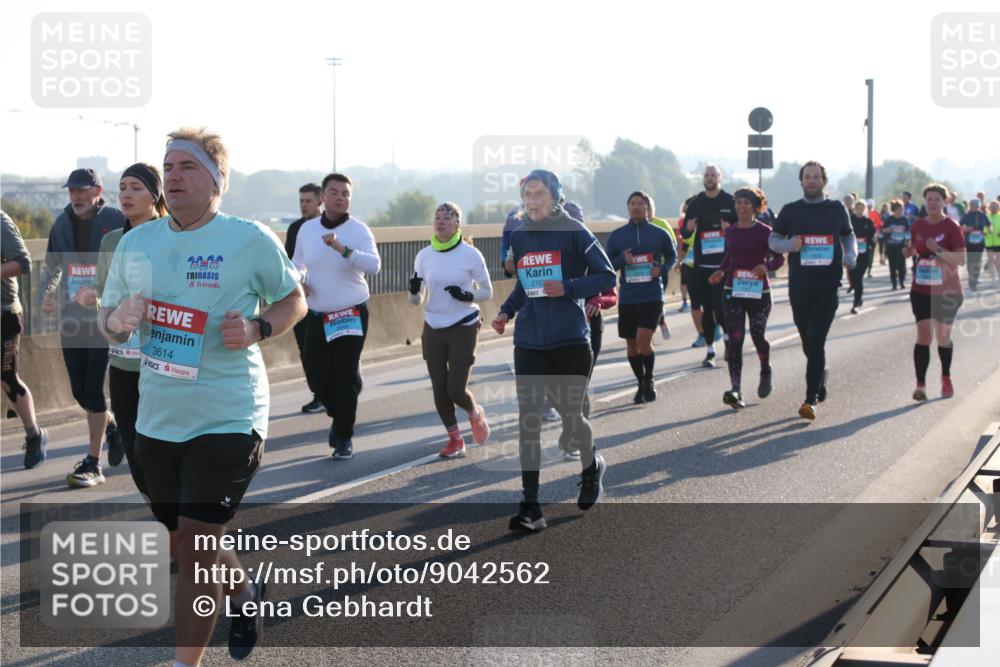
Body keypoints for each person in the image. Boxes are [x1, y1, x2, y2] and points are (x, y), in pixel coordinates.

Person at [99, 127, 306, 666]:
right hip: (157, 417)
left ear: (217, 181)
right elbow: (111, 322)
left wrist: (260, 327)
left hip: (229, 415)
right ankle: (242, 594)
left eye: (187, 167)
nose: (173, 176)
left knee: (193, 546)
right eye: (168, 167)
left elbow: (294, 300)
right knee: (185, 539)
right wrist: (116, 322)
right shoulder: (136, 242)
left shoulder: (247, 238)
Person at [491, 169, 615, 533]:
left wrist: (570, 287)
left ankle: (592, 466)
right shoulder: (521, 234)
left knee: (571, 418)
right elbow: (525, 285)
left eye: (539, 193)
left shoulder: (576, 232)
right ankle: (531, 506)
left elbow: (607, 276)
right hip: (529, 340)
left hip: (570, 339)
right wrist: (506, 311)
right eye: (527, 194)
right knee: (529, 421)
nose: (531, 200)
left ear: (555, 196)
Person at [76, 164, 168, 499]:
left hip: (165, 362)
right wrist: (92, 296)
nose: (126, 195)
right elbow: (104, 292)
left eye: (136, 188)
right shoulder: (112, 240)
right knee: (137, 454)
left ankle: (181, 530)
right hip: (123, 363)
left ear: (155, 196)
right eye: (122, 187)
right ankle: (168, 522)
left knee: (163, 452)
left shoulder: (172, 236)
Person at [39, 167, 125, 487]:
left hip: (104, 318)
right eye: (71, 191)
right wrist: (47, 295)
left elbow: (132, 262)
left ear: (98, 190)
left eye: (81, 190)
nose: (75, 196)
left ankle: (93, 462)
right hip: (71, 317)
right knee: (79, 390)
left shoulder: (116, 221)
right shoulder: (61, 223)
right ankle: (112, 428)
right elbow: (52, 266)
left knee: (92, 387)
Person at [292, 173, 381, 460]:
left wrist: (343, 249)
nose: (340, 197)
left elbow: (374, 265)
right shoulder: (307, 230)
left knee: (342, 378)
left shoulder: (358, 230)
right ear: (323, 198)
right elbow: (298, 264)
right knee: (317, 376)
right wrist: (300, 280)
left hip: (350, 311)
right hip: (317, 313)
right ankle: (341, 406)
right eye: (334, 192)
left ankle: (343, 435)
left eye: (345, 193)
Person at [769, 161, 857, 421]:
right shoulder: (790, 210)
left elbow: (848, 235)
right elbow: (773, 241)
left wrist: (851, 254)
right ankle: (820, 376)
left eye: (816, 177)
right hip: (799, 286)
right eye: (807, 177)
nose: (811, 181)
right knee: (808, 341)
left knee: (816, 340)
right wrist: (789, 245)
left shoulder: (836, 208)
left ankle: (811, 399)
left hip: (828, 285)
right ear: (801, 181)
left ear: (823, 181)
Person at [409, 202, 492, 459]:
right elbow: (416, 300)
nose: (440, 221)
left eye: (447, 217)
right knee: (439, 388)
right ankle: (455, 440)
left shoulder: (470, 255)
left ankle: (475, 413)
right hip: (433, 326)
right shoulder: (424, 256)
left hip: (463, 325)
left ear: (457, 223)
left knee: (455, 389)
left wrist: (467, 294)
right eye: (437, 217)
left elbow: (487, 292)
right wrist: (413, 291)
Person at [709, 187, 783, 409]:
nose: (741, 207)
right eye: (738, 203)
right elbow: (730, 256)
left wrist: (766, 266)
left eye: (746, 203)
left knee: (758, 337)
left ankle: (765, 368)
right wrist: (720, 271)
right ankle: (736, 389)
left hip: (759, 293)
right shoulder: (730, 231)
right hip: (734, 291)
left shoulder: (766, 232)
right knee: (735, 339)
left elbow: (779, 259)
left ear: (755, 207)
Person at [605, 191, 676, 404]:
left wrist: (662, 269)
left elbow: (672, 255)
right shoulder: (617, 236)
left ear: (647, 208)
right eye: (632, 204)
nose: (636, 207)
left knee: (644, 340)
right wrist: (621, 259)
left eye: (640, 204)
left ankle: (650, 379)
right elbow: (607, 264)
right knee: (632, 344)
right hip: (628, 297)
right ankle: (640, 382)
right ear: (628, 207)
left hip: (652, 295)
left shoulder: (658, 233)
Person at [905, 184, 967, 401]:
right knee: (923, 335)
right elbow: (914, 249)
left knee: (942, 337)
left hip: (947, 290)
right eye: (929, 199)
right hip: (921, 288)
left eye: (936, 199)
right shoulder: (917, 226)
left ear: (944, 202)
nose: (932, 202)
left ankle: (946, 376)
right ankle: (920, 384)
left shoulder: (952, 227)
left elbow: (961, 259)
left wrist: (938, 249)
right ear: (924, 202)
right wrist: (908, 251)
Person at [1, 210, 48, 468]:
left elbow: (24, 263)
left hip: (4, 314)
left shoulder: (1, 222)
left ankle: (34, 434)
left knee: (6, 377)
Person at [683, 166, 736, 366]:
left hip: (723, 265)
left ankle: (728, 341)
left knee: (720, 306)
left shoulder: (730, 201)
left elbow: (741, 228)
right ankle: (710, 350)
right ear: (703, 178)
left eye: (713, 175)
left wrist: (729, 230)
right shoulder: (696, 203)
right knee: (706, 309)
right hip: (701, 265)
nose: (710, 178)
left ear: (719, 178)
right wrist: (688, 229)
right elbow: (685, 233)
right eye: (707, 175)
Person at [284, 183, 324, 412]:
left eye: (308, 201)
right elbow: (290, 262)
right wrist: (298, 283)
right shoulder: (295, 228)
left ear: (320, 201)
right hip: (302, 299)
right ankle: (318, 393)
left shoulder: (328, 227)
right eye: (301, 201)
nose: (304, 205)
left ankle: (333, 389)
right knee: (306, 349)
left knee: (328, 350)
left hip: (327, 300)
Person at [647, 196, 678, 340]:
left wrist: (664, 266)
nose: (647, 211)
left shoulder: (662, 224)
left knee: (656, 299)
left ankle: (660, 321)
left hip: (659, 270)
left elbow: (672, 247)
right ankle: (658, 322)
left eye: (650, 208)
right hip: (639, 272)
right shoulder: (633, 227)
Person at [848, 200, 876, 313]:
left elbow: (873, 237)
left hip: (864, 254)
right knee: (853, 279)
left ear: (864, 209)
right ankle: (858, 298)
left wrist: (871, 243)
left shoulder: (868, 222)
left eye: (861, 208)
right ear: (855, 209)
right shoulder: (850, 220)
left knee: (858, 278)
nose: (859, 211)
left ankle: (856, 302)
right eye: (857, 208)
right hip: (851, 253)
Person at [959, 198, 989, 291]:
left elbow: (989, 225)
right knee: (970, 260)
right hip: (969, 241)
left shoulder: (982, 215)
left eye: (973, 205)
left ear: (977, 206)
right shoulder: (966, 215)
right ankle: (971, 277)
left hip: (980, 241)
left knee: (977, 260)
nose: (971, 207)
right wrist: (966, 229)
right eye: (970, 205)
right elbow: (959, 226)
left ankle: (974, 279)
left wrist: (987, 231)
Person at [883, 200, 911, 290]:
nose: (901, 210)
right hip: (891, 246)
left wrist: (908, 242)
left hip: (901, 246)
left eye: (902, 208)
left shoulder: (904, 219)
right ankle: (894, 284)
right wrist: (888, 230)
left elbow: (908, 231)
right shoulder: (889, 219)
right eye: (899, 208)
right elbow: (883, 230)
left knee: (901, 265)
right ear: (894, 209)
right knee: (892, 265)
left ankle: (902, 282)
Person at [985, 200, 1000, 285]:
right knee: (990, 261)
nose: (994, 207)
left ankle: (998, 277)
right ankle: (993, 279)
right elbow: (983, 228)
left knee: (998, 261)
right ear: (989, 207)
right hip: (989, 242)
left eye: (996, 206)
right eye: (992, 206)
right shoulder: (986, 217)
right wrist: (986, 232)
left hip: (998, 242)